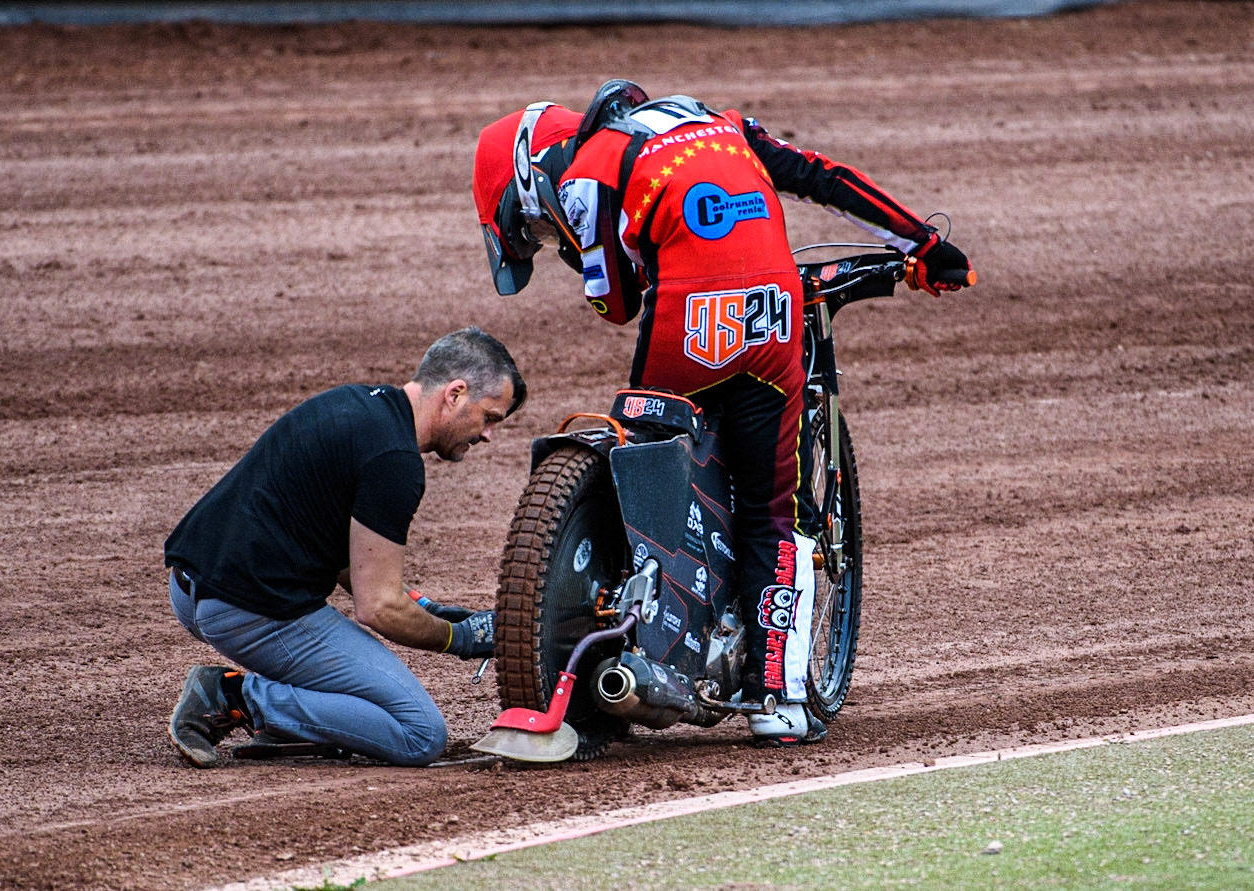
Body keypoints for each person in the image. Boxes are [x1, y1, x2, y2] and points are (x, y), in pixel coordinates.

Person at [472, 81, 973, 747]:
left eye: (531, 228)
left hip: (686, 324)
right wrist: (922, 242)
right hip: (772, 321)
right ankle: (781, 698)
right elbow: (823, 177)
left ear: (526, 179)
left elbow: (615, 304)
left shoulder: (585, 170)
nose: (542, 233)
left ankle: (643, 622)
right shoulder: (724, 123)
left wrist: (578, 249)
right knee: (773, 508)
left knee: (646, 453)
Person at [165, 326, 526, 767]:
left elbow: (339, 558)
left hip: (189, 588)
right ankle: (234, 697)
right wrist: (459, 637)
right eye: (489, 417)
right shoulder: (395, 462)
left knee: (357, 677)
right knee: (419, 733)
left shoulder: (357, 404)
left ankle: (297, 723)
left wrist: (427, 606)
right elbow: (378, 607)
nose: (487, 434)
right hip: (245, 610)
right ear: (454, 393)